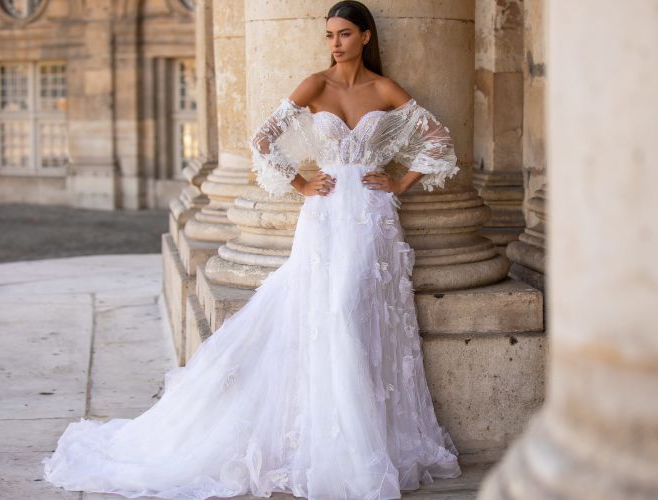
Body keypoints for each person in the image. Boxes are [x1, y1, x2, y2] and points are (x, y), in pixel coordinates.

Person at [41, 2, 462, 499]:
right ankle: (336, 443)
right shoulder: (315, 85)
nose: (335, 43)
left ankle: (367, 444)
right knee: (333, 314)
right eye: (329, 34)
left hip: (371, 218)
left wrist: (398, 184)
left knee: (362, 315)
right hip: (325, 217)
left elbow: (438, 139)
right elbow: (263, 140)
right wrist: (302, 183)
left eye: (345, 34)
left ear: (366, 36)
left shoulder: (385, 89)